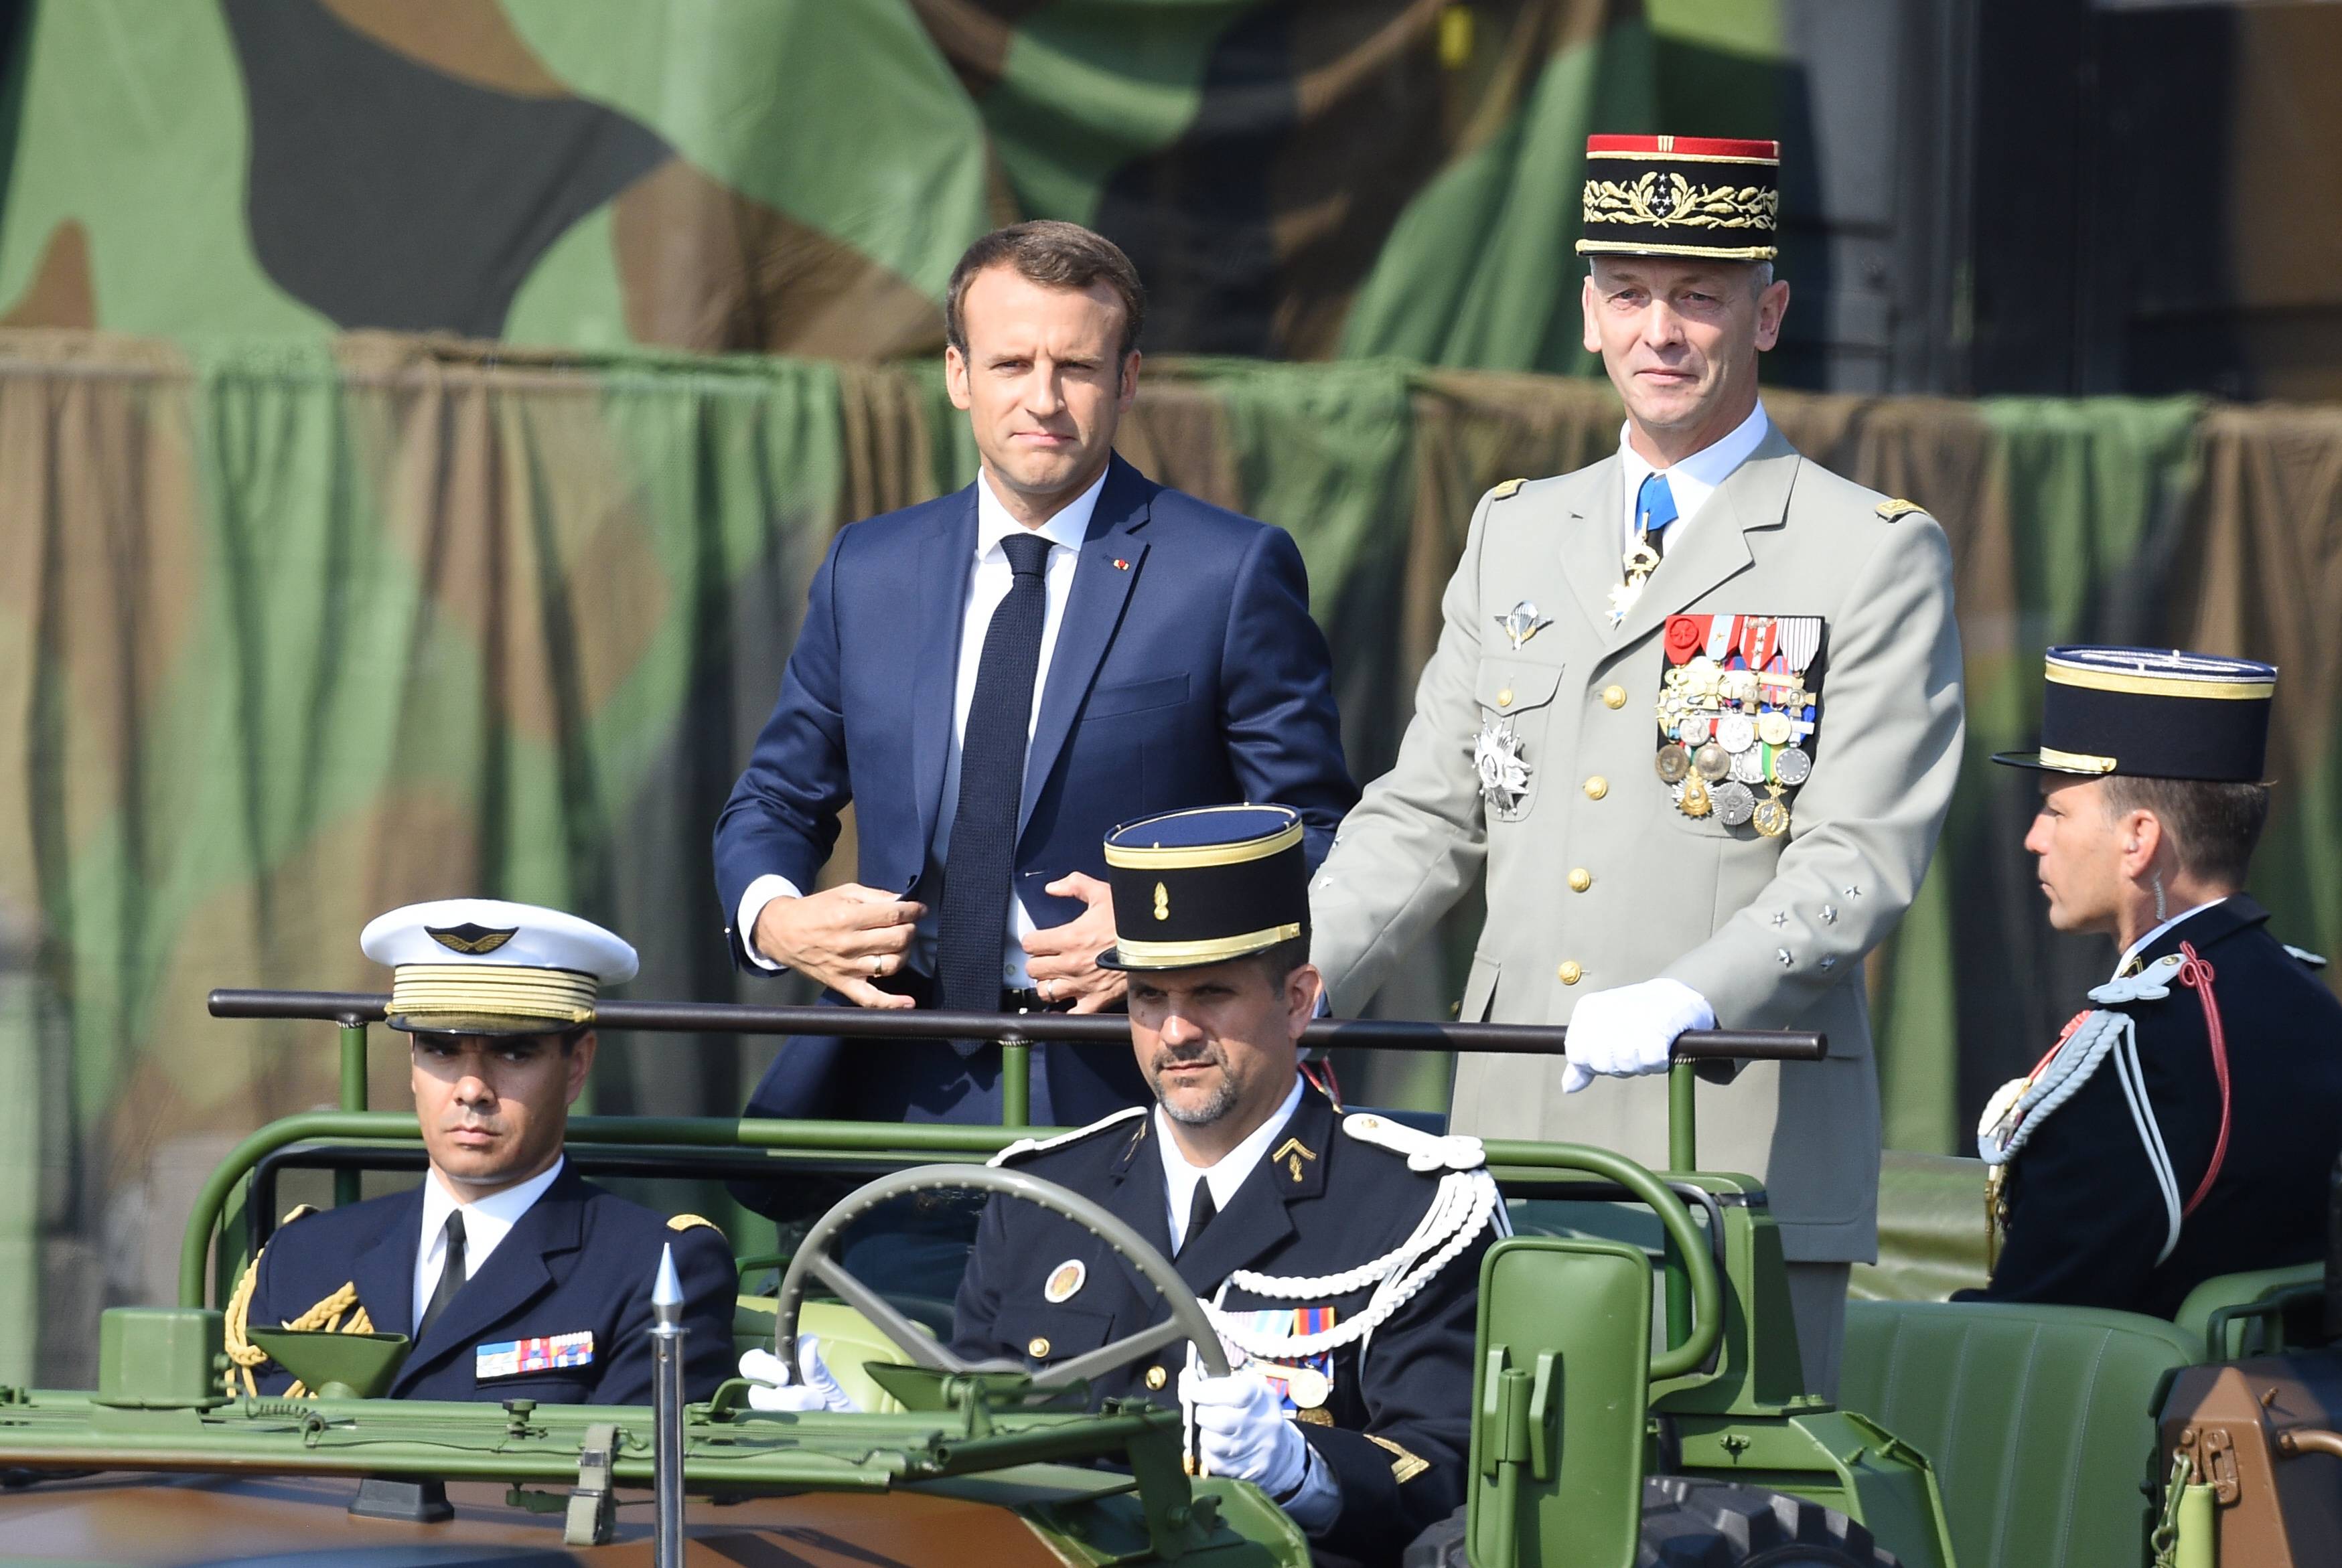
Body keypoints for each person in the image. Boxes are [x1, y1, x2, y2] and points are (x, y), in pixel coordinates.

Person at [1304, 134, 1964, 1399]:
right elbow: (1427, 812)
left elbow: (1856, 859)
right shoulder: (1515, 532)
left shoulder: (1863, 552)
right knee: (1495, 1498)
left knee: (1722, 1519)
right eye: (1628, 293)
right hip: (1508, 1149)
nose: (1660, 330)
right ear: (1589, 315)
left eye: (1698, 296)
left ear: (1767, 313)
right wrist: (1288, 976)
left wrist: (1694, 994)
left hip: (1726, 1139)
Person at [714, 220, 1356, 1129]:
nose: (1043, 399)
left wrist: (1162, 923)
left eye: (1078, 368)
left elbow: (1319, 835)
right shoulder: (870, 568)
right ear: (957, 375)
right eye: (1011, 365)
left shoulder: (1228, 570)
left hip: (1136, 1086)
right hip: (896, 1085)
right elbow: (774, 801)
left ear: (1127, 381)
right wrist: (776, 918)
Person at [747, 806, 1500, 1568]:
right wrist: (856, 1452)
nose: (1175, 1032)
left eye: (1210, 994)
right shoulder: (1039, 1195)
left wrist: (1307, 1471)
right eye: (1147, 997)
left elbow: (1452, 1476)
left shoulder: (1411, 1207)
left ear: (1298, 998)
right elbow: (983, 1445)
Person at [231, 900, 737, 1403]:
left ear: (577, 1065)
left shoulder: (655, 1270)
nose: (472, 1089)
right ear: (412, 1061)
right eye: (442, 1050)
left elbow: (634, 1479)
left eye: (514, 1052)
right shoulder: (303, 1259)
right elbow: (253, 1466)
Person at [1966, 647, 2342, 1317]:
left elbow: (2033, 1319)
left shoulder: (2139, 1048)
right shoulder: (2310, 1007)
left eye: (2055, 810)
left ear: (2138, 838)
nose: (2032, 837)